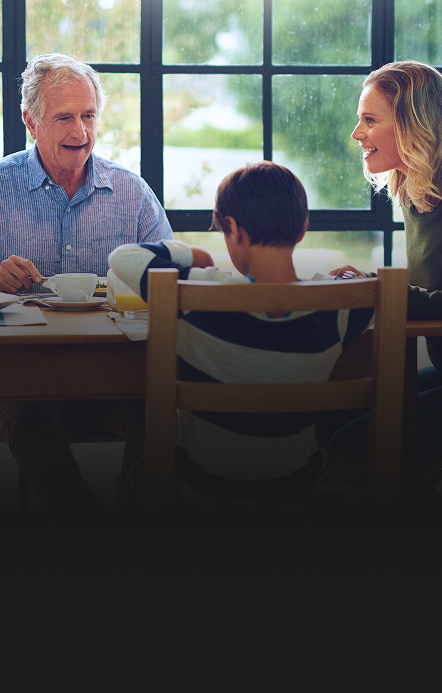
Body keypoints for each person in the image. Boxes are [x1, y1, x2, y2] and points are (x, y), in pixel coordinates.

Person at [0, 53, 173, 518]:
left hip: (116, 374)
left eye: (89, 115)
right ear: (31, 121)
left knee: (161, 420)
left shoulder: (131, 193)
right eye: (65, 117)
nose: (81, 132)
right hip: (18, 375)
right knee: (34, 430)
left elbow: (171, 282)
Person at [109, 162, 375, 508]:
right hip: (298, 484)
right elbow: (367, 281)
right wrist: (343, 280)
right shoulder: (340, 307)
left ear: (232, 228)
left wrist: (195, 254)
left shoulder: (195, 293)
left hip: (200, 482)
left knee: (136, 466)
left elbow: (123, 256)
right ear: (303, 228)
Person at [328, 60, 442, 468]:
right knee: (331, 415)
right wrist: (375, 284)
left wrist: (407, 299)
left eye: (370, 120)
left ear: (413, 125)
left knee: (354, 445)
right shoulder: (415, 191)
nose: (357, 134)